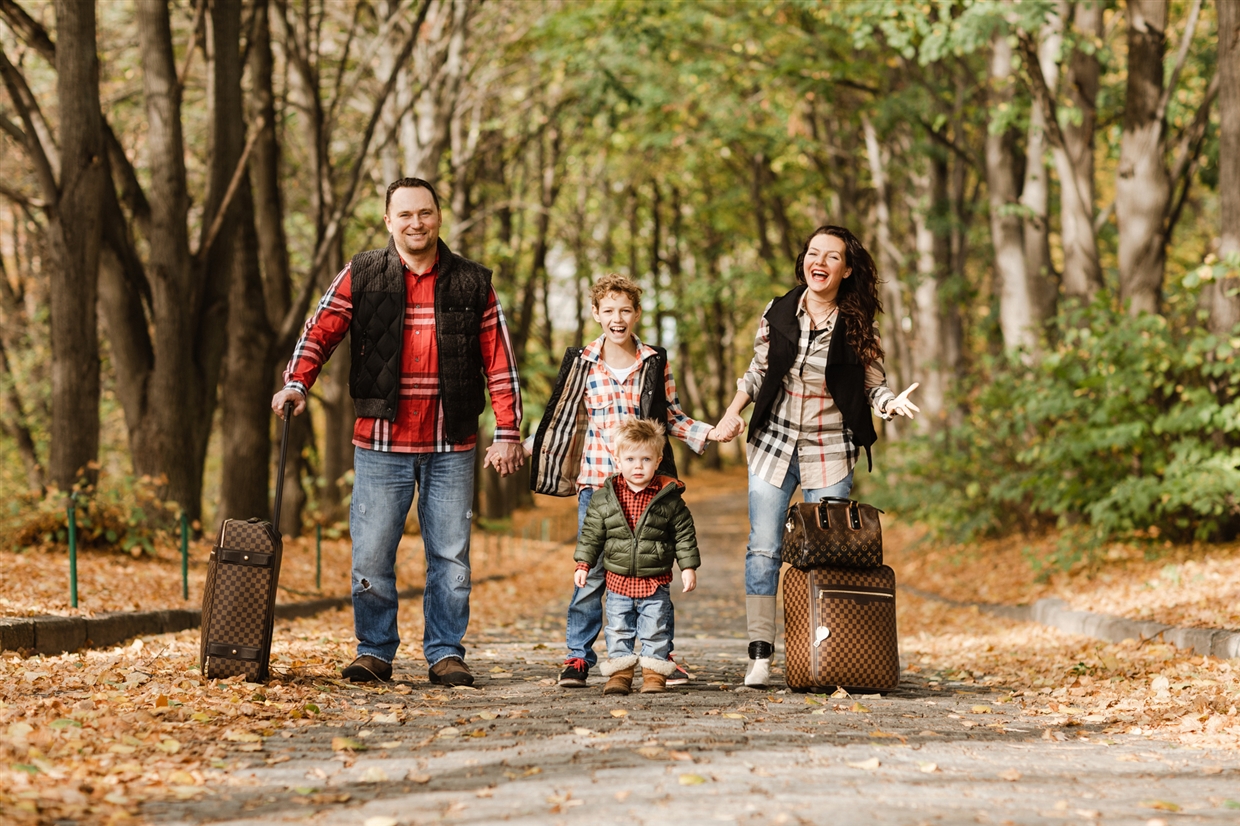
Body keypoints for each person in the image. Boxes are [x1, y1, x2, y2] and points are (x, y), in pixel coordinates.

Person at [271, 177, 524, 687]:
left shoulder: (473, 282)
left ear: (438, 217)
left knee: (450, 555)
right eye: (405, 214)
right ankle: (375, 651)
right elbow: (320, 330)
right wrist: (297, 382)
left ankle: (446, 653)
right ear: (389, 221)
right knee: (371, 553)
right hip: (381, 442)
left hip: (451, 441)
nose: (416, 223)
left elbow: (499, 361)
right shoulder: (362, 274)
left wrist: (509, 430)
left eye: (425, 213)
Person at [714, 225, 919, 688]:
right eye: (813, 253)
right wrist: (731, 416)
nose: (819, 262)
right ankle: (760, 656)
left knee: (831, 556)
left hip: (829, 448)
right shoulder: (779, 309)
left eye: (832, 256)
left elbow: (872, 384)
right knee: (764, 549)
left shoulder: (858, 322)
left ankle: (827, 653)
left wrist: (887, 403)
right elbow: (757, 371)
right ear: (804, 260)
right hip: (773, 443)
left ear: (846, 270)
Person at [528, 273, 732, 688]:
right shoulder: (582, 360)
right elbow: (563, 417)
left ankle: (659, 658)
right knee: (595, 571)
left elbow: (670, 415)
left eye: (625, 310)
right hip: (598, 486)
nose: (617, 318)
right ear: (596, 313)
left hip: (648, 484)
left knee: (651, 567)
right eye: (609, 310)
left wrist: (708, 432)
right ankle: (578, 657)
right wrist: (523, 445)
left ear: (636, 313)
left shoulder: (654, 359)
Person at [572, 418, 699, 695]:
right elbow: (592, 534)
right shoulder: (604, 498)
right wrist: (583, 564)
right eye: (630, 458)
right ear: (617, 460)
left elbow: (684, 534)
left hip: (655, 581)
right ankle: (619, 675)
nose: (638, 466)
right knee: (618, 630)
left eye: (645, 459)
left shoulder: (669, 498)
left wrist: (688, 566)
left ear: (658, 460)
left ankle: (654, 676)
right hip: (617, 580)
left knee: (655, 629)